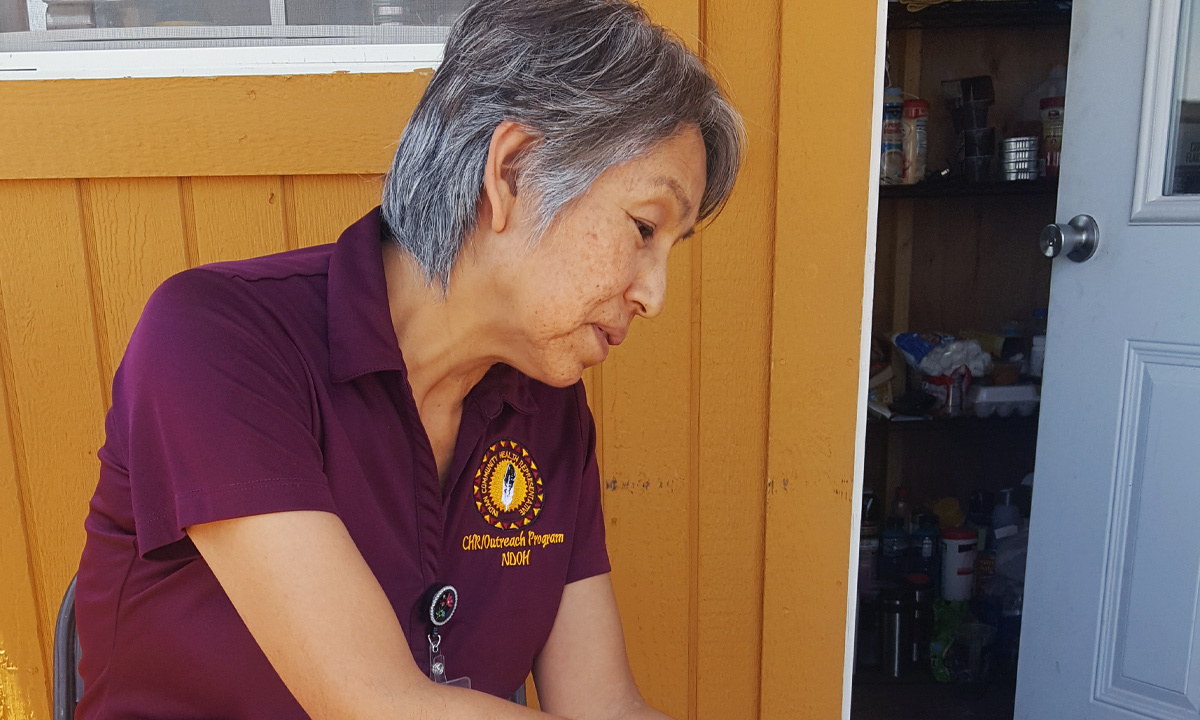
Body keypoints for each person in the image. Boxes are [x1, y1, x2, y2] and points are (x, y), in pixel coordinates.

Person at [74, 0, 743, 717]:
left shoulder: (548, 408)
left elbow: (602, 704)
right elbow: (374, 704)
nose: (654, 294)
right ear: (512, 169)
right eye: (644, 227)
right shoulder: (217, 340)